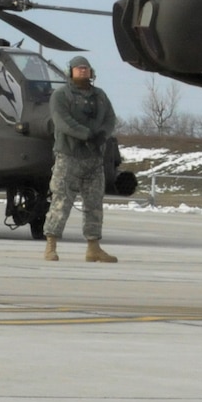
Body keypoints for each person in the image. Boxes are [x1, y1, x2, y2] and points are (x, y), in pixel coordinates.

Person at [46, 55, 118, 263]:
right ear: (70, 71)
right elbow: (62, 122)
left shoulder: (100, 96)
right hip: (69, 156)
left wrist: (102, 135)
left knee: (94, 203)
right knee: (61, 201)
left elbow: (110, 118)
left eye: (86, 68)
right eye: (78, 68)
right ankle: (51, 245)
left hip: (94, 159)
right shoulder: (60, 96)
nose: (83, 71)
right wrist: (86, 134)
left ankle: (93, 247)